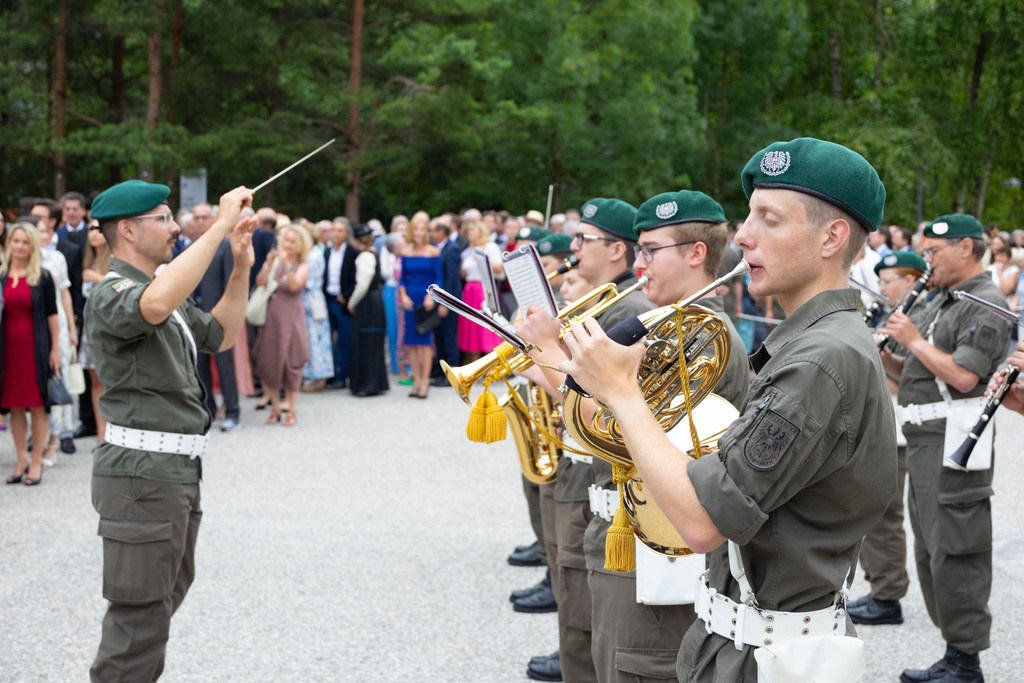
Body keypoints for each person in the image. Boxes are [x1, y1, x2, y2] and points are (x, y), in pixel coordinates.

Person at [551, 138, 897, 682]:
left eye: (769, 219)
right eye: (748, 216)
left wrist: (621, 392)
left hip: (766, 657)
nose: (742, 236)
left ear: (831, 238)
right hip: (747, 641)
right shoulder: (815, 343)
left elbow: (702, 521)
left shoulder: (821, 359)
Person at [85, 180, 256, 681]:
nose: (176, 226)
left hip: (172, 472)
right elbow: (154, 306)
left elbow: (221, 334)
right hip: (142, 476)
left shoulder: (162, 287)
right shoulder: (114, 292)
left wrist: (240, 266)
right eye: (163, 218)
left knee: (158, 605)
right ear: (127, 230)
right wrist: (218, 226)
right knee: (138, 621)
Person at [585, 191, 750, 683]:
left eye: (650, 250)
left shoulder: (703, 337)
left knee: (637, 668)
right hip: (636, 536)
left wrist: (568, 371)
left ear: (696, 254)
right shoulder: (669, 326)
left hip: (661, 548)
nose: (639, 263)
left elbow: (646, 440)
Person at [517, 197, 652, 683]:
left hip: (603, 479)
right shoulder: (606, 302)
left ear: (615, 249)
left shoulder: (628, 308)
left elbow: (596, 400)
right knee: (575, 596)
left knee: (585, 609)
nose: (572, 248)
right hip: (583, 468)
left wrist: (543, 351)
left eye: (583, 239)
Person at [879, 213, 1010, 683]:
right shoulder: (945, 299)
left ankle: (965, 661)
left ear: (966, 248)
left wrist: (913, 338)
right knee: (930, 550)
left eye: (934, 252)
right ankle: (954, 652)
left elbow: (964, 376)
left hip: (954, 439)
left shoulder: (986, 302)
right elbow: (917, 373)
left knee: (957, 549)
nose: (928, 260)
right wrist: (886, 354)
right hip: (924, 438)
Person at [847, 250, 929, 627]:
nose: (882, 287)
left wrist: (877, 356)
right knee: (874, 517)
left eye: (888, 281)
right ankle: (881, 587)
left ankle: (888, 595)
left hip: (899, 428)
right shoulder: (892, 315)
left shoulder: (918, 319)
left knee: (884, 517)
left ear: (911, 280)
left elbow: (906, 382)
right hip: (882, 425)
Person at [1, 223, 60, 486]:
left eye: (25, 242)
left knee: (36, 405)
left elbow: (52, 315)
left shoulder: (42, 276)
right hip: (7, 350)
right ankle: (21, 458)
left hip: (35, 349)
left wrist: (55, 349)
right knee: (14, 405)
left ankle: (36, 460)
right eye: (16, 241)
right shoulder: (1, 275)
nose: (20, 246)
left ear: (33, 246)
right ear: (9, 243)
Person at [188, 202, 242, 432]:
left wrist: (227, 315)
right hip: (195, 314)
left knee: (224, 365)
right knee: (199, 367)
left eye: (204, 217)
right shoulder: (190, 246)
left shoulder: (225, 246)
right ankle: (208, 410)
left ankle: (233, 413)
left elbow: (230, 283)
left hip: (218, 316)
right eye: (196, 217)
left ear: (213, 219)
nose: (200, 222)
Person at [252, 225, 311, 427]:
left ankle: (291, 408)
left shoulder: (303, 266)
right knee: (270, 360)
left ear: (300, 245)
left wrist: (286, 265)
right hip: (273, 318)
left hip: (293, 318)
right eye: (286, 240)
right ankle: (275, 407)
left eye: (293, 242)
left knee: (292, 362)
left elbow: (294, 286)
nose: (288, 245)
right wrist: (268, 264)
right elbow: (260, 282)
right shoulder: (275, 261)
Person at [34, 214, 78, 464]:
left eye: (46, 230)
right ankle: (36, 436)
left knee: (58, 380)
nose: (45, 235)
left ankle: (57, 438)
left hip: (57, 325)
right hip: (31, 325)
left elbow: (65, 294)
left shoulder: (56, 258)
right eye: (40, 230)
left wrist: (71, 328)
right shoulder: (18, 260)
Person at [398, 216, 441, 399]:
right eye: (416, 229)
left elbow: (438, 277)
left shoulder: (433, 251)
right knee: (411, 343)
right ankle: (415, 380)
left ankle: (425, 381)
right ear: (411, 231)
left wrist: (431, 296)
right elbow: (401, 278)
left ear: (426, 232)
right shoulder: (405, 251)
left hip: (426, 300)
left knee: (425, 342)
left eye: (422, 229)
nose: (419, 233)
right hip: (409, 300)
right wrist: (403, 295)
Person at [347, 223, 389, 396]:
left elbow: (362, 285)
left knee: (366, 342)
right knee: (372, 342)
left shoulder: (364, 256)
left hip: (368, 303)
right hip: (375, 300)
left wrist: (352, 302)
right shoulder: (373, 253)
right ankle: (374, 382)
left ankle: (367, 384)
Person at [81, 222, 112, 444]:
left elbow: (125, 285)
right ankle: (101, 434)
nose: (94, 234)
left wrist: (99, 278)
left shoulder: (115, 259)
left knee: (110, 380)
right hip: (89, 327)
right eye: (91, 229)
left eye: (99, 229)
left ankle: (113, 432)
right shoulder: (87, 261)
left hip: (109, 327)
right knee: (95, 382)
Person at [457, 220, 504, 363]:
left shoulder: (490, 247)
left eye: (472, 230)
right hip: (470, 290)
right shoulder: (468, 249)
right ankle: (475, 365)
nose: (469, 233)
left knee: (486, 329)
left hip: (483, 290)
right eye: (468, 230)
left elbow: (499, 269)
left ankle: (492, 366)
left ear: (481, 231)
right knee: (472, 330)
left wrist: (482, 260)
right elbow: (465, 274)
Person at [323, 218, 357, 390]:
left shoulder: (352, 253)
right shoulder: (327, 252)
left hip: (342, 300)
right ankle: (331, 373)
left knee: (344, 338)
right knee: (329, 338)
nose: (335, 234)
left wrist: (346, 295)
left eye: (339, 230)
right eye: (333, 230)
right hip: (328, 298)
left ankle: (342, 375)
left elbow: (355, 279)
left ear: (347, 233)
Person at [299, 224, 334, 393]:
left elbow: (308, 281)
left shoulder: (312, 256)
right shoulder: (313, 253)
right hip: (311, 298)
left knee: (315, 339)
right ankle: (313, 376)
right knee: (312, 338)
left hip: (310, 300)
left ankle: (318, 377)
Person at [429, 217, 462, 385]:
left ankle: (452, 375)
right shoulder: (439, 247)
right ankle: (442, 373)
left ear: (442, 231)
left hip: (447, 302)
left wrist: (445, 303)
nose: (431, 234)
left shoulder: (452, 249)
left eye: (433, 231)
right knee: (440, 338)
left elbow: (451, 279)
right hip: (439, 300)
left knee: (449, 338)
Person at [381, 232, 410, 384]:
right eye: (401, 244)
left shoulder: (404, 259)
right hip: (400, 295)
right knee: (399, 331)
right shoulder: (398, 262)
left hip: (405, 295)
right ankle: (401, 368)